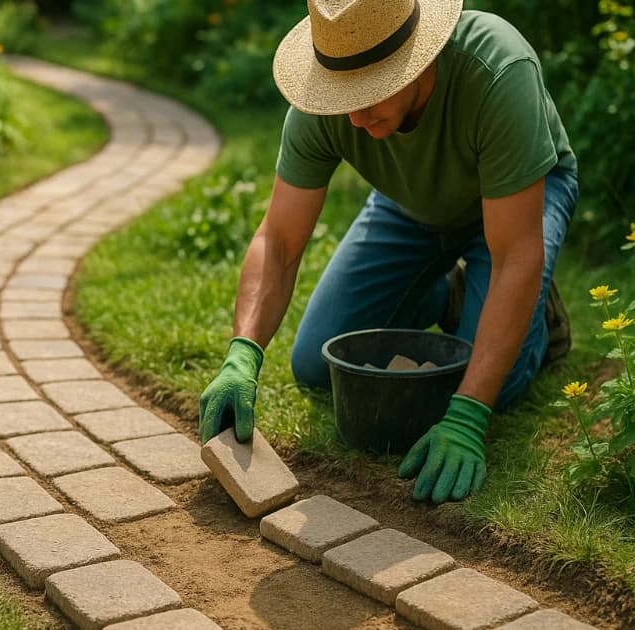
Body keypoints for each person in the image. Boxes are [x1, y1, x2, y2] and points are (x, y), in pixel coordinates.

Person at [197, 0, 578, 505]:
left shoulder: (497, 70)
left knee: (487, 387)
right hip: (409, 203)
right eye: (342, 94)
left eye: (370, 93)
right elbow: (279, 239)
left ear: (420, 60)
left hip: (519, 201)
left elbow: (515, 255)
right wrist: (242, 354)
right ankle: (452, 298)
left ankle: (537, 317)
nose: (354, 115)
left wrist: (468, 415)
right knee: (317, 365)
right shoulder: (323, 100)